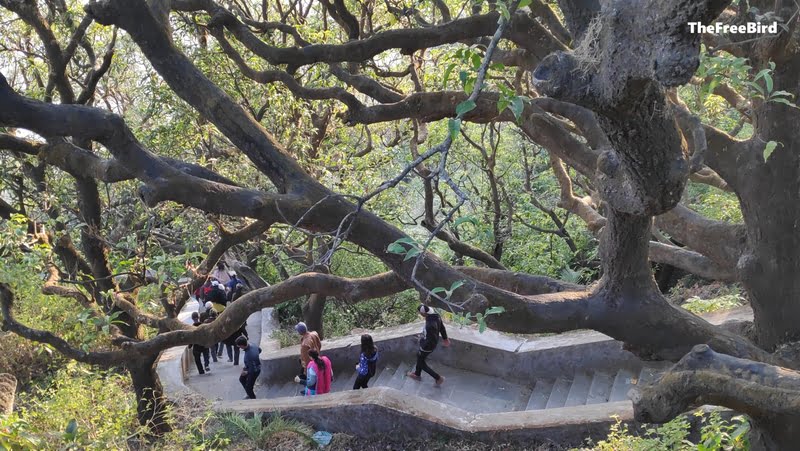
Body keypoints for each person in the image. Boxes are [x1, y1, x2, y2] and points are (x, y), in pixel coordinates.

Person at [407, 305, 450, 386]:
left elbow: (430, 339)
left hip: (427, 346)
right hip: (430, 344)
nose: (419, 313)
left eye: (419, 312)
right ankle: (417, 374)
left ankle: (438, 378)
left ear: (424, 314)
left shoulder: (430, 325)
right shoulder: (436, 316)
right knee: (419, 359)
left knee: (421, 362)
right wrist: (445, 339)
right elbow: (442, 327)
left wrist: (422, 344)